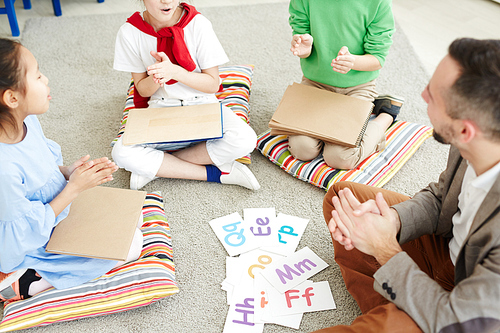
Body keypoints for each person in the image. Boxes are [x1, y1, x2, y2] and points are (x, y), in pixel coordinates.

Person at [320, 38, 500, 332]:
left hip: (464, 313)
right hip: (451, 252)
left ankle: (401, 317)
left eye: (433, 95)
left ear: (466, 130)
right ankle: (402, 312)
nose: (422, 94)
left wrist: (385, 249)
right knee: (344, 198)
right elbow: (443, 198)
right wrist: (392, 220)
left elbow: (459, 322)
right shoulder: (477, 140)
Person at [0, 38, 143, 303]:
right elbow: (18, 234)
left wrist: (67, 172)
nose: (46, 79)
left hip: (52, 211)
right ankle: (31, 280)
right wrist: (74, 188)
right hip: (28, 239)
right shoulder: (3, 168)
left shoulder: (26, 120)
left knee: (133, 221)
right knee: (130, 244)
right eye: (38, 75)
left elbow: (38, 168)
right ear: (12, 97)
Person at [112, 0, 260, 191]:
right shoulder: (130, 31)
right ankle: (215, 174)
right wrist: (158, 75)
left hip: (202, 104)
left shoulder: (198, 24)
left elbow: (213, 84)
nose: (167, 1)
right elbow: (142, 90)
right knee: (121, 153)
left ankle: (160, 168)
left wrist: (175, 72)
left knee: (246, 139)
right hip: (162, 108)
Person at [288, 0, 403, 170]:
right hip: (316, 85)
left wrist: (353, 62)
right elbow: (301, 33)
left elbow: (377, 58)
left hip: (358, 87)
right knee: (302, 149)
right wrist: (305, 48)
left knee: (340, 158)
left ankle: (385, 116)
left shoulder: (378, 3)